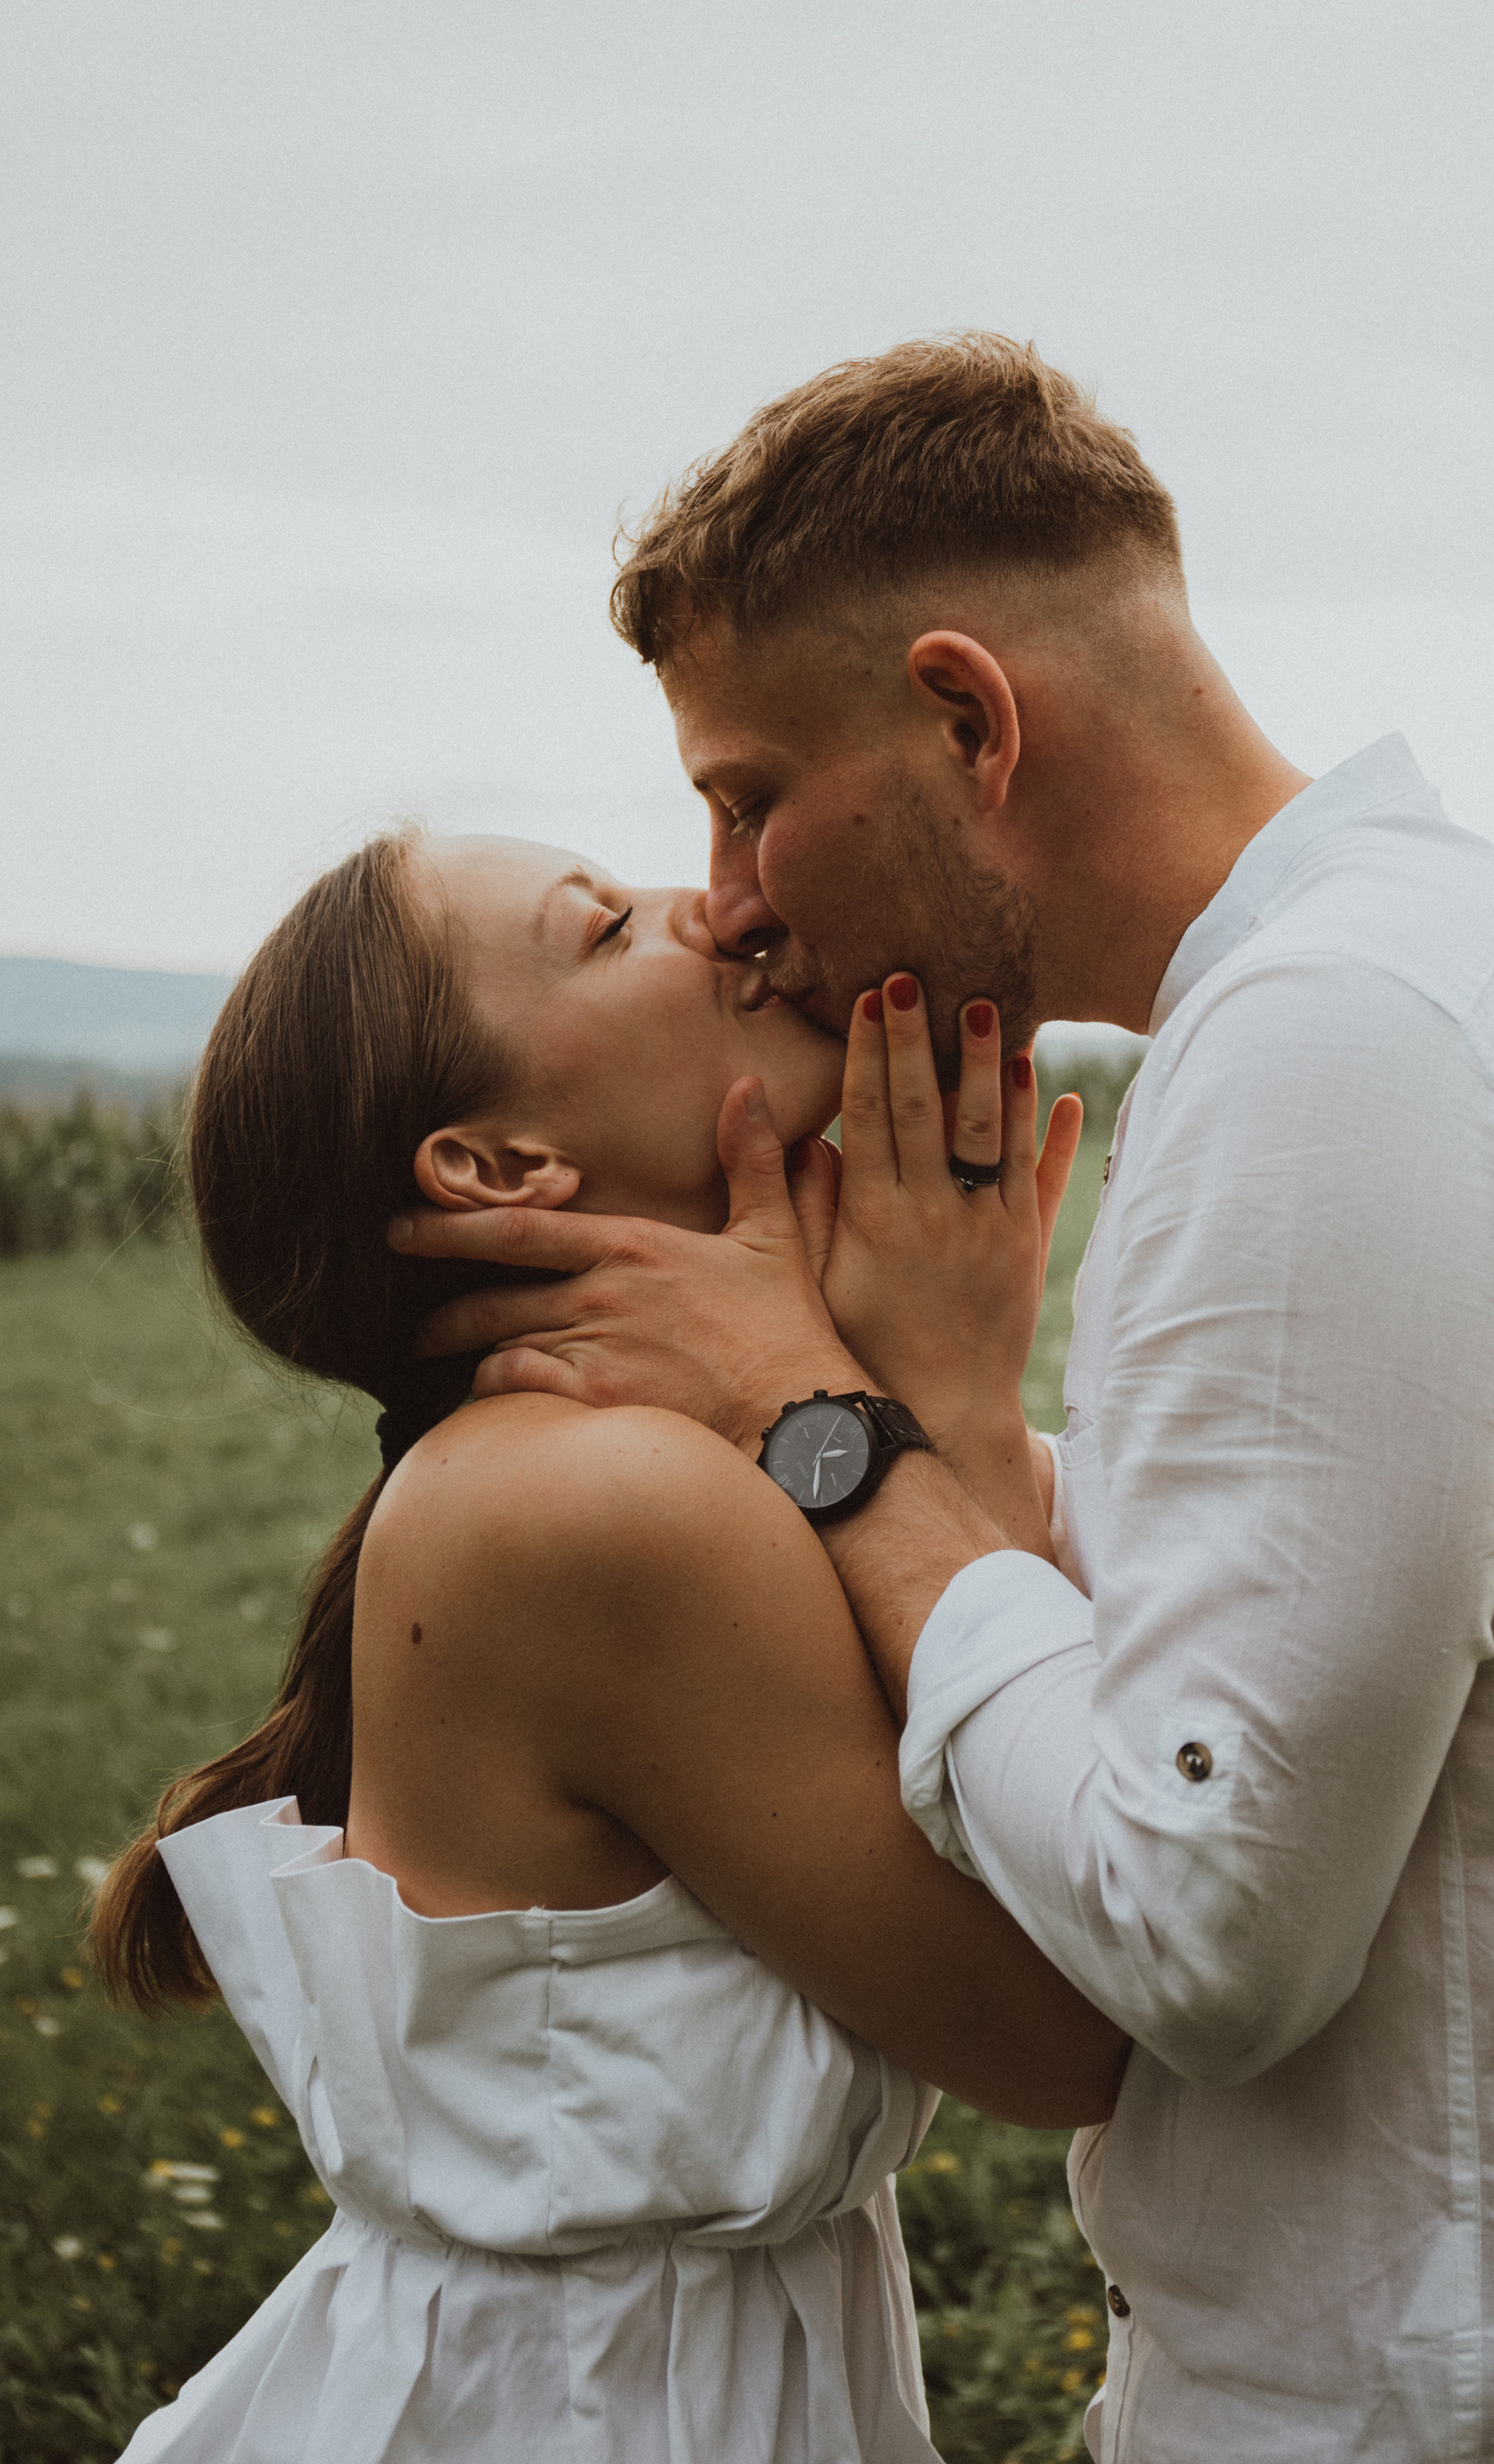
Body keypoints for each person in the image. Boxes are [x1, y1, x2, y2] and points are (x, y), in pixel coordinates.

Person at [401, 334, 1494, 2462]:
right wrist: (968, 1439)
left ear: (966, 718)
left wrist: (829, 1430)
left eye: (746, 799)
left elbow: (1203, 1935)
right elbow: (1282, 1661)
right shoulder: (1422, 970)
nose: (728, 902)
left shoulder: (1333, 1051)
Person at [93, 827, 1125, 2464]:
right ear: (496, 1168)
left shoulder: (634, 1459)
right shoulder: (598, 1499)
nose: (717, 911)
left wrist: (876, 1387)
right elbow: (1078, 2016)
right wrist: (950, 1405)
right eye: (606, 924)